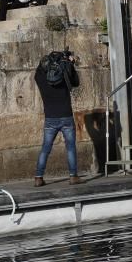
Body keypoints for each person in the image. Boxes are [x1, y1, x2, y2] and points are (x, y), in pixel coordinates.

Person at [33, 51, 81, 186]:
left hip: (50, 118)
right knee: (70, 148)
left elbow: (38, 71)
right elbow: (76, 82)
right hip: (66, 117)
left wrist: (49, 58)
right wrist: (69, 64)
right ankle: (73, 176)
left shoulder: (41, 79)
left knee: (45, 149)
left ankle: (38, 177)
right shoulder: (64, 75)